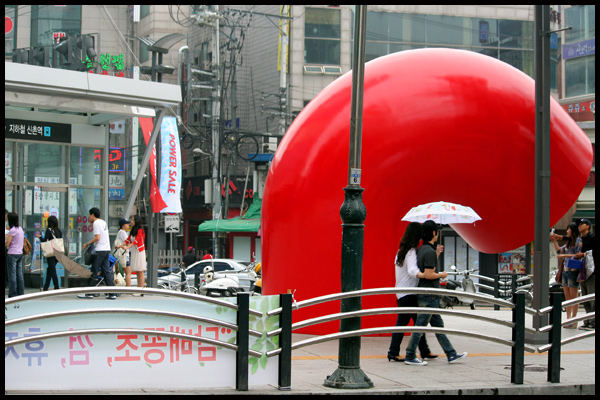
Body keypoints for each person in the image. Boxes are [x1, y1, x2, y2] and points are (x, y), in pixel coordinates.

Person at [404, 220, 468, 366]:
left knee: (438, 325)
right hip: (429, 295)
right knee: (420, 326)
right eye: (437, 232)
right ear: (434, 233)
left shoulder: (422, 250)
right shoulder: (429, 252)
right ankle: (410, 354)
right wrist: (442, 275)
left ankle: (451, 353)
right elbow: (428, 274)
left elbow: (427, 268)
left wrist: (437, 254)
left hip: (425, 293)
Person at [387, 222, 436, 362]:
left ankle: (424, 350)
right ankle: (393, 351)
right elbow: (412, 270)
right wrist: (424, 275)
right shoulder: (411, 251)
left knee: (417, 322)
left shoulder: (401, 251)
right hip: (409, 293)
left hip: (402, 292)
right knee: (407, 323)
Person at [79, 207, 116, 300]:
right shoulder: (103, 222)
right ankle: (112, 293)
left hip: (99, 250)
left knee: (94, 271)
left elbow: (97, 238)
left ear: (92, 215)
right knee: (106, 271)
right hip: (106, 249)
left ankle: (89, 293)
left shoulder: (96, 223)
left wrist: (87, 244)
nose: (89, 217)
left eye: (89, 215)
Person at [551, 222, 581, 327]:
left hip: (574, 270)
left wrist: (564, 256)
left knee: (574, 296)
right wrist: (554, 241)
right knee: (567, 296)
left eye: (569, 229)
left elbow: (578, 255)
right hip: (565, 270)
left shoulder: (578, 241)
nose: (567, 231)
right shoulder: (568, 242)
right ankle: (568, 319)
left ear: (573, 231)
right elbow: (560, 251)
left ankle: (574, 319)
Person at [118, 215, 147, 295]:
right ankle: (139, 290)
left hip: (139, 251)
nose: (131, 221)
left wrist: (127, 247)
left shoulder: (140, 230)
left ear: (136, 221)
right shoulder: (133, 230)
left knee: (140, 271)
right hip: (135, 251)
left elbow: (136, 241)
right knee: (137, 271)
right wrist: (120, 246)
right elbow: (128, 240)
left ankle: (141, 290)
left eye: (133, 220)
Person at [576, 219, 595, 331]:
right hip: (582, 271)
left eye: (581, 224)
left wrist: (583, 254)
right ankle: (587, 321)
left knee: (592, 297)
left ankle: (593, 322)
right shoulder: (580, 240)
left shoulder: (592, 238)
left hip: (592, 272)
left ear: (588, 226)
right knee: (585, 298)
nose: (579, 226)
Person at [5, 212, 25, 297]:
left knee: (12, 275)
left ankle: (13, 293)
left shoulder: (12, 230)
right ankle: (21, 292)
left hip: (12, 254)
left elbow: (7, 244)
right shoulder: (20, 229)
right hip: (20, 253)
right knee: (19, 274)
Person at [42, 215, 62, 291]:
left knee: (52, 270)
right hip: (58, 253)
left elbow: (45, 241)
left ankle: (56, 287)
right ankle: (45, 287)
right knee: (49, 270)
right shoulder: (59, 231)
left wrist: (40, 237)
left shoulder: (49, 230)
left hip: (51, 253)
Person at [115, 218, 131, 287]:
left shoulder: (119, 232)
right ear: (123, 225)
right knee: (128, 272)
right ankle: (128, 288)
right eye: (127, 224)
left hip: (121, 255)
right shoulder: (123, 232)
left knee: (122, 272)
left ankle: (121, 285)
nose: (128, 225)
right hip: (124, 255)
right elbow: (128, 242)